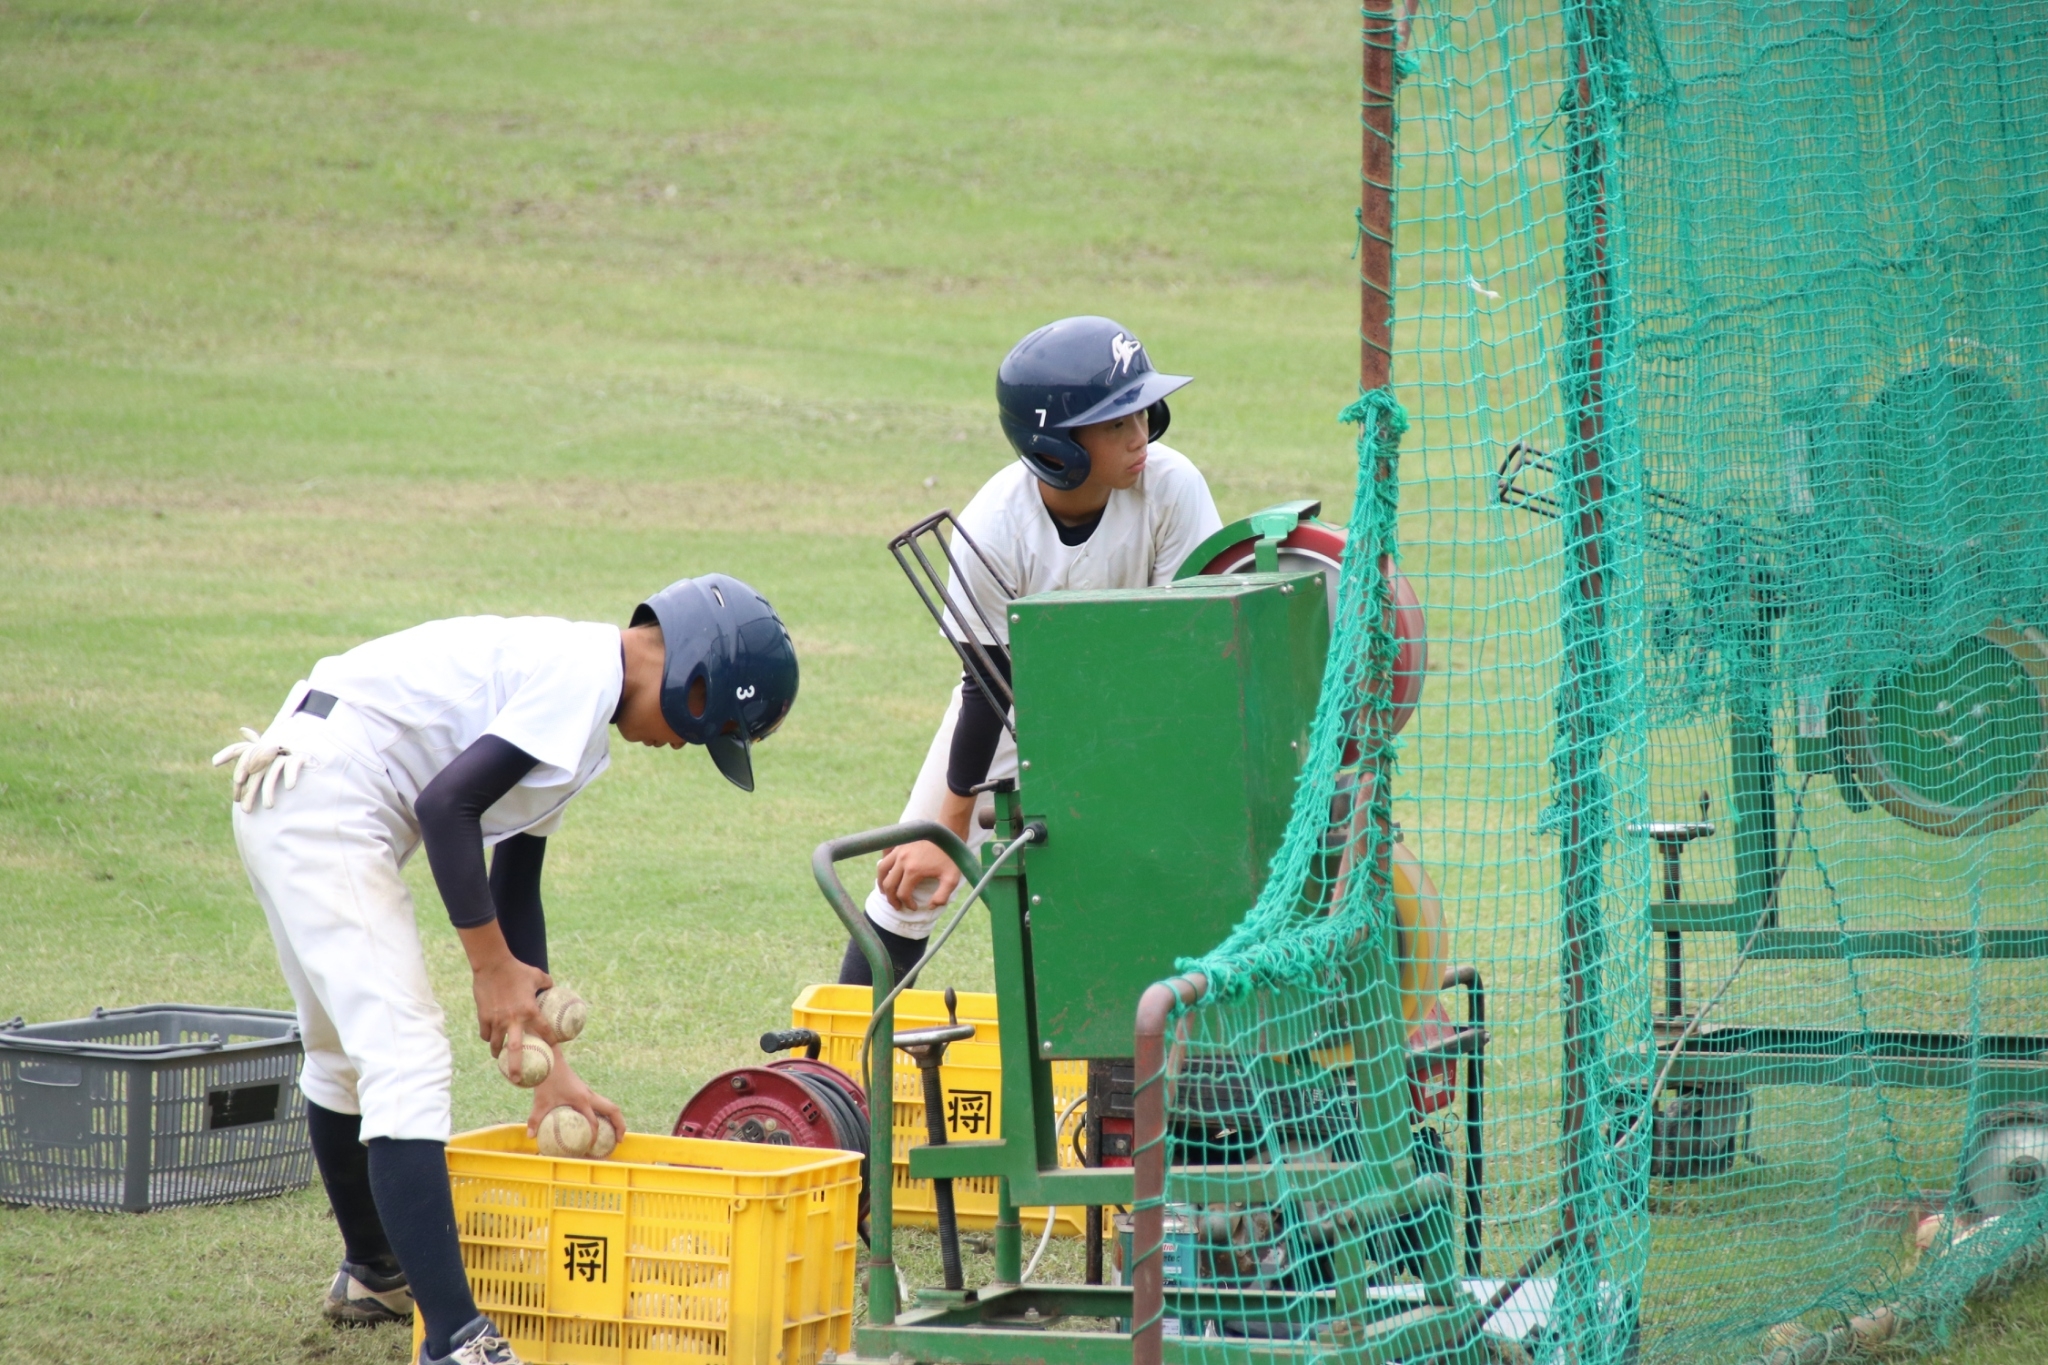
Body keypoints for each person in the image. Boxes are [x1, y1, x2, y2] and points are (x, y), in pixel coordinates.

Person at [214, 577, 797, 1365]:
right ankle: (457, 1340)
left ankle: (376, 1271)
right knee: (405, 1058)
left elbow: (514, 883)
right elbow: (446, 808)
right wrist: (489, 969)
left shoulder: (580, 682)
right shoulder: (580, 676)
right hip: (325, 796)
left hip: (296, 786)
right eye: (708, 729)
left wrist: (552, 1072)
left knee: (344, 1052)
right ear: (695, 682)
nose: (687, 745)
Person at [839, 316, 1221, 987]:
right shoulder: (995, 527)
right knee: (912, 877)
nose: (1139, 436)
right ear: (1054, 446)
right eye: (1115, 423)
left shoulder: (1172, 486)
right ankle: (848, 1046)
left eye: (1142, 413)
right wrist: (946, 832)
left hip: (1150, 704)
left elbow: (1186, 650)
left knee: (1156, 875)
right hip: (1017, 700)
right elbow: (987, 688)